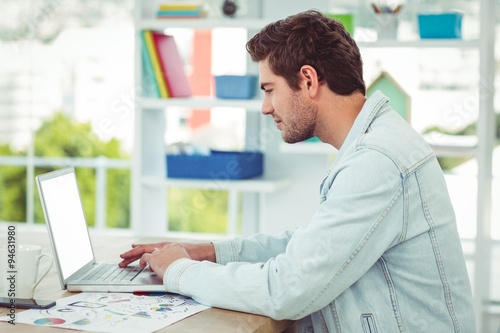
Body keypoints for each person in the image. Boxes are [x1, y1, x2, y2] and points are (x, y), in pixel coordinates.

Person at [120, 10, 475, 332]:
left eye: (270, 90)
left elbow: (287, 289)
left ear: (308, 80)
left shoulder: (377, 161)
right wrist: (207, 252)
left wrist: (180, 272)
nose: (264, 108)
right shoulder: (372, 144)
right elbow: (310, 246)